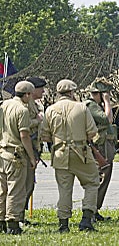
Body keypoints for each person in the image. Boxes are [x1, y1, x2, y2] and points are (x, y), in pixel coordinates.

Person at [41, 79, 99, 233]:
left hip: (60, 153)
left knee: (64, 190)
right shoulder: (81, 107)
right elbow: (92, 132)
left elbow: (45, 135)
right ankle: (86, 219)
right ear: (72, 92)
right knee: (91, 183)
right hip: (81, 152)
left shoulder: (50, 110)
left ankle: (63, 224)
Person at [0, 81, 37, 234]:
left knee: (2, 190)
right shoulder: (23, 110)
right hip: (16, 154)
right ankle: (13, 223)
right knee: (16, 190)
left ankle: (1, 220)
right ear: (27, 94)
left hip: (2, 152)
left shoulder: (4, 105)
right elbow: (24, 135)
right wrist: (32, 157)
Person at [84, 79, 116, 222]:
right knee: (101, 176)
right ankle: (92, 209)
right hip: (101, 146)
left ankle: (94, 209)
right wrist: (107, 101)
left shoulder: (95, 105)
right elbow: (107, 119)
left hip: (104, 144)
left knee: (104, 175)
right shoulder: (91, 105)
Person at [19, 77, 47, 225]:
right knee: (25, 185)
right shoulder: (25, 106)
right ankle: (17, 217)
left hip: (33, 148)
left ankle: (19, 216)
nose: (43, 91)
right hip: (25, 149)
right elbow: (24, 125)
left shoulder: (34, 104)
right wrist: (38, 120)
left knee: (29, 186)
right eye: (40, 88)